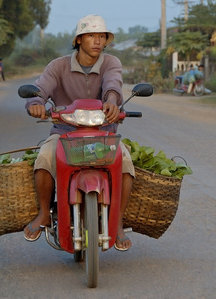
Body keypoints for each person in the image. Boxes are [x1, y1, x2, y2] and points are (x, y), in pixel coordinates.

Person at [23, 15, 133, 251]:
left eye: (102, 36)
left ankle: (119, 221)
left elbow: (113, 85)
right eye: (91, 35)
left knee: (125, 161)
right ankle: (44, 213)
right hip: (64, 134)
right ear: (79, 39)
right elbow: (41, 89)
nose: (97, 41)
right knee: (43, 157)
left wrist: (112, 102)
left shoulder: (110, 62)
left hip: (104, 134)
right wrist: (36, 103)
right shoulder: (58, 66)